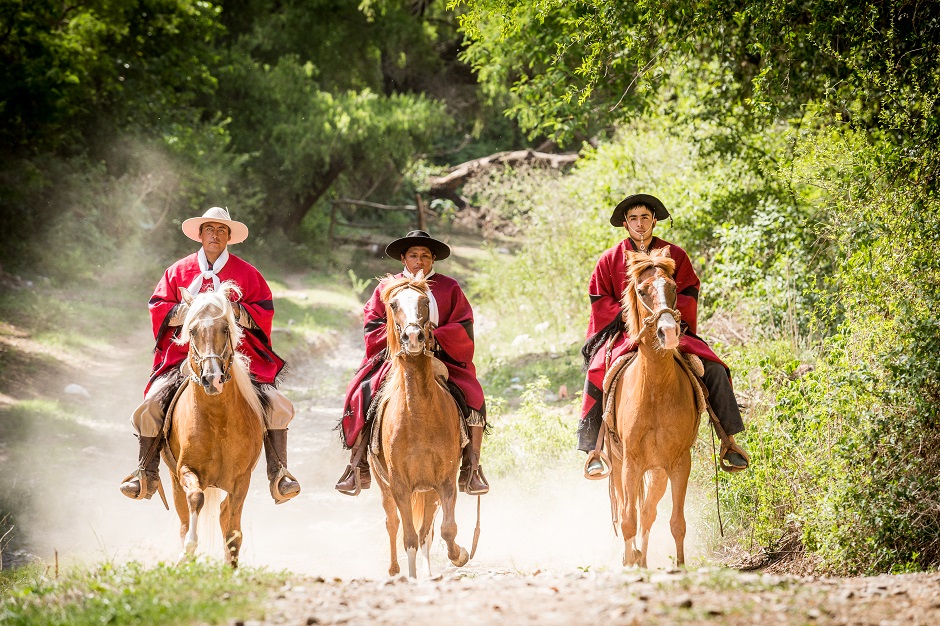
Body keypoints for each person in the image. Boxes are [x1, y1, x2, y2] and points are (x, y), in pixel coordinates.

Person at [119, 206, 301, 505]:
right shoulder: (178, 271)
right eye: (209, 230)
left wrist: (233, 311)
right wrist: (189, 311)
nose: (214, 235)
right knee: (151, 405)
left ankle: (279, 473)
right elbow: (158, 307)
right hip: (184, 357)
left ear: (229, 236)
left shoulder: (247, 273)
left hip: (238, 358)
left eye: (221, 230)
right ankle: (145, 472)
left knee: (277, 405)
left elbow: (264, 312)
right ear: (200, 234)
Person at [578, 194, 749, 474]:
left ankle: (728, 440)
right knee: (597, 371)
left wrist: (667, 317)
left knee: (715, 368)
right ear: (625, 223)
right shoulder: (609, 259)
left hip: (670, 327)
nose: (640, 223)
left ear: (654, 220)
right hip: (625, 334)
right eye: (633, 218)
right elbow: (599, 299)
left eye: (645, 217)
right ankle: (594, 449)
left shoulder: (675, 255)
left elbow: (688, 291)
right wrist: (630, 315)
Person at [335, 230, 489, 496]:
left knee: (473, 396)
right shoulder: (387, 287)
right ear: (404, 258)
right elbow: (372, 323)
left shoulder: (449, 287)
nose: (420, 261)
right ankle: (357, 464)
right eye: (414, 256)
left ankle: (471, 468)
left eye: (425, 256)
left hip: (439, 356)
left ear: (433, 260)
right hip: (394, 356)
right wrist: (398, 340)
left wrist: (435, 336)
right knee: (362, 393)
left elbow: (464, 324)